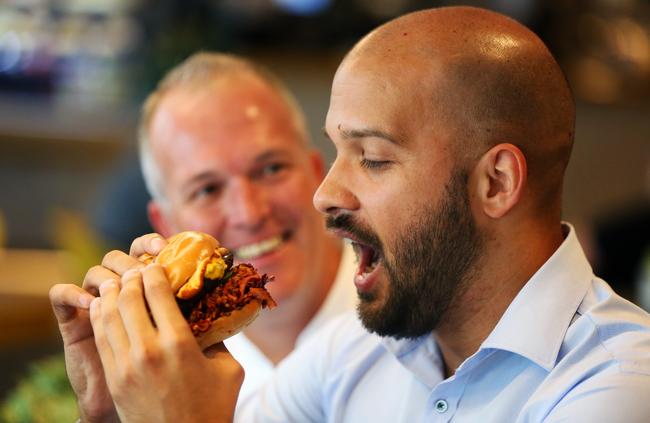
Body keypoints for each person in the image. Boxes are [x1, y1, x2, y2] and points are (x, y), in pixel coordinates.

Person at [54, 6, 650, 422]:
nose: (324, 194)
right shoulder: (350, 354)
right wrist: (113, 414)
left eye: (372, 158)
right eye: (337, 152)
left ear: (495, 182)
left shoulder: (618, 386)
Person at [48, 52, 357, 422]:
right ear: (165, 224)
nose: (250, 212)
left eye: (272, 168)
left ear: (316, 173)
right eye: (207, 190)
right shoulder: (153, 367)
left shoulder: (414, 319)